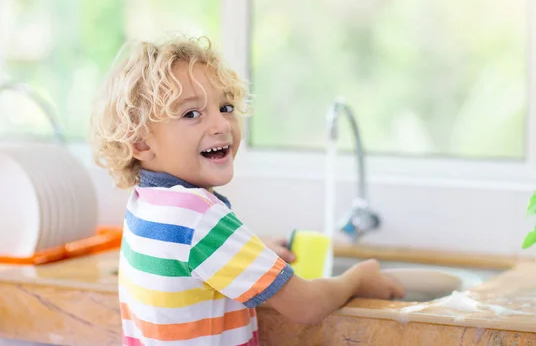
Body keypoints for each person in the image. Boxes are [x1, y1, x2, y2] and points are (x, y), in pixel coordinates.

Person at [89, 36, 404, 346]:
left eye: (226, 107)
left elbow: (188, 263)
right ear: (142, 143)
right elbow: (307, 305)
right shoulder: (198, 215)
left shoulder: (146, 205)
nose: (221, 125)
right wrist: (357, 279)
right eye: (191, 114)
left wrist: (248, 252)